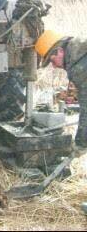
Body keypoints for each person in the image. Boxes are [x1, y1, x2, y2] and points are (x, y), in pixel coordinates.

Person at [35, 30, 87, 213]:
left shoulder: (80, 66)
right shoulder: (80, 54)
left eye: (51, 60)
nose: (54, 66)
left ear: (60, 51)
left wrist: (81, 142)